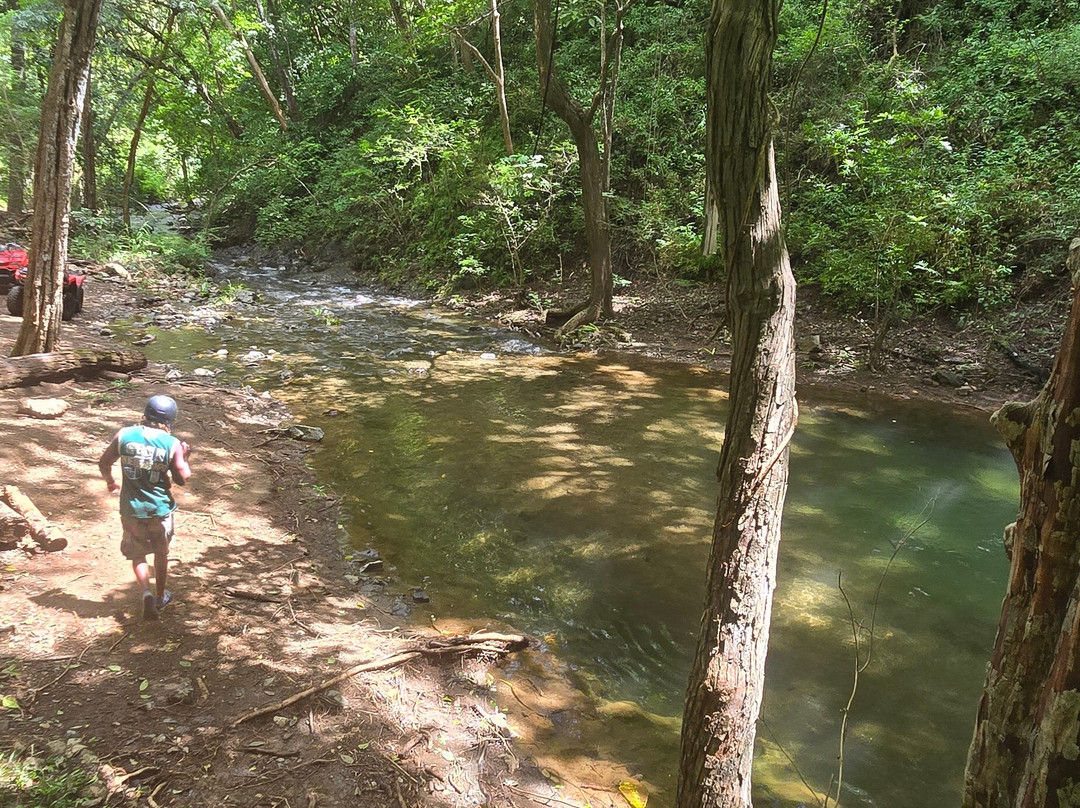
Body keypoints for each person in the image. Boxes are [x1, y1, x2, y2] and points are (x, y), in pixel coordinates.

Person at [98, 394, 193, 620]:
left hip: (131, 509)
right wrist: (185, 457)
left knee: (138, 554)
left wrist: (110, 481)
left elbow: (104, 462)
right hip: (159, 509)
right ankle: (160, 595)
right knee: (161, 553)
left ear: (145, 414)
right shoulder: (171, 443)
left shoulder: (124, 434)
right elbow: (182, 479)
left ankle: (146, 592)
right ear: (169, 420)